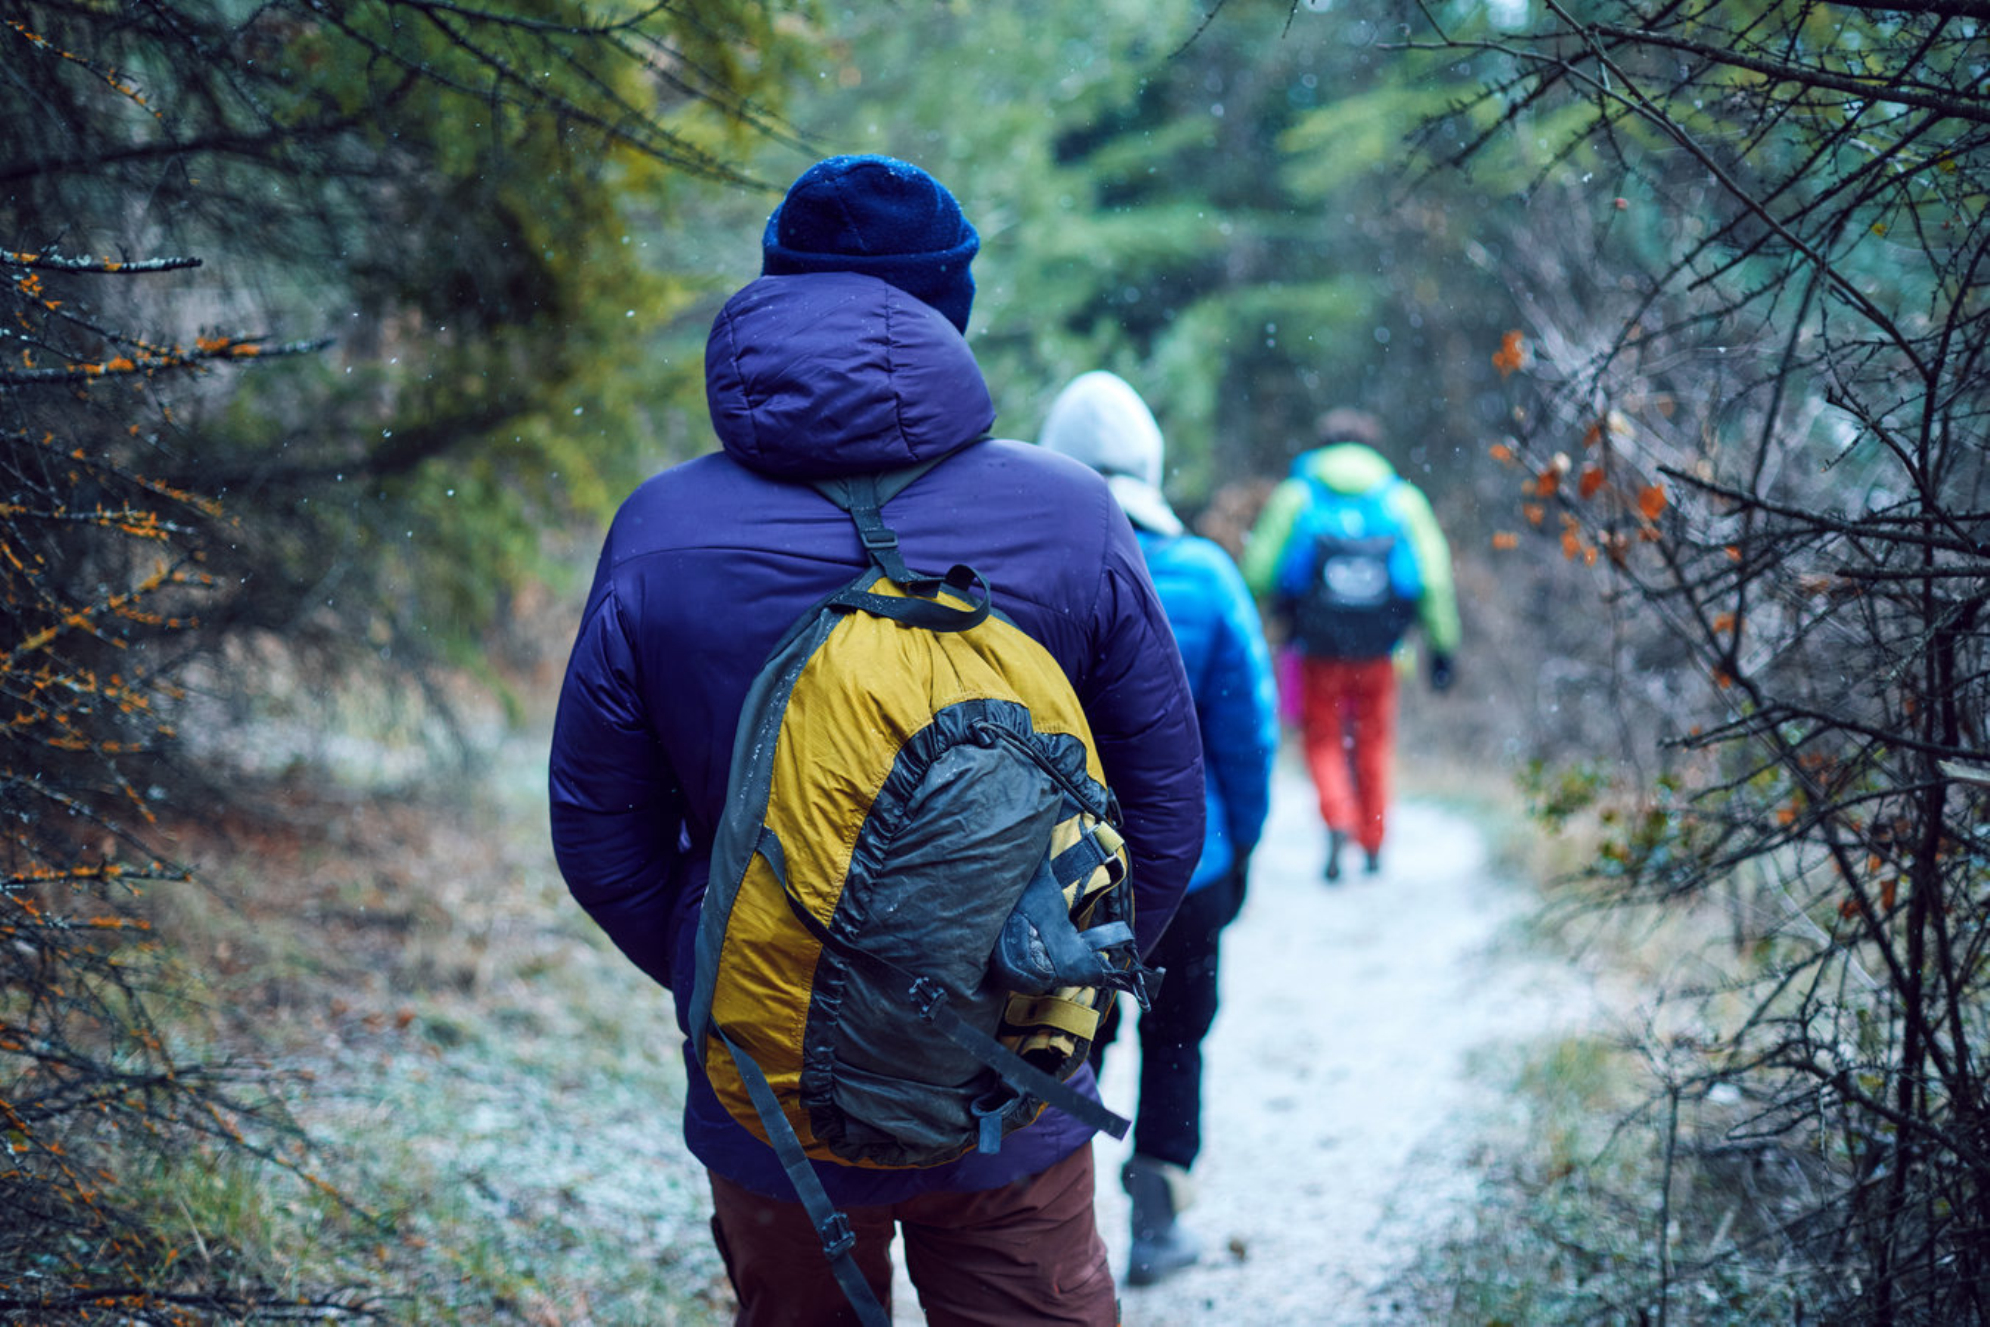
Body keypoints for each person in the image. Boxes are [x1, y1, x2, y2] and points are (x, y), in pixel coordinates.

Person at [547, 155, 1205, 1327]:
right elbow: (1162, 799)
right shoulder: (1070, 514)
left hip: (768, 1090)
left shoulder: (660, 531)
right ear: (949, 309)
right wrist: (1049, 984)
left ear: (770, 294)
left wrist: (738, 967)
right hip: (1012, 1082)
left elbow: (602, 830)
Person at [1038, 371, 1279, 1287]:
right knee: (1178, 1037)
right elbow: (1246, 737)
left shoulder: (1026, 578)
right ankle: (1158, 1218)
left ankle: (1056, 1239)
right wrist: (1242, 843)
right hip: (1192, 871)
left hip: (1059, 878)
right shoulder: (1207, 577)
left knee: (1058, 1046)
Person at [1241, 409, 1459, 881]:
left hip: (1316, 645)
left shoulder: (1298, 494)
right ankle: (1374, 838)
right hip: (1382, 648)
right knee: (1374, 741)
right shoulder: (1401, 498)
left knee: (1322, 738)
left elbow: (1258, 571)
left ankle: (1338, 820)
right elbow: (1434, 578)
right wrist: (1443, 647)